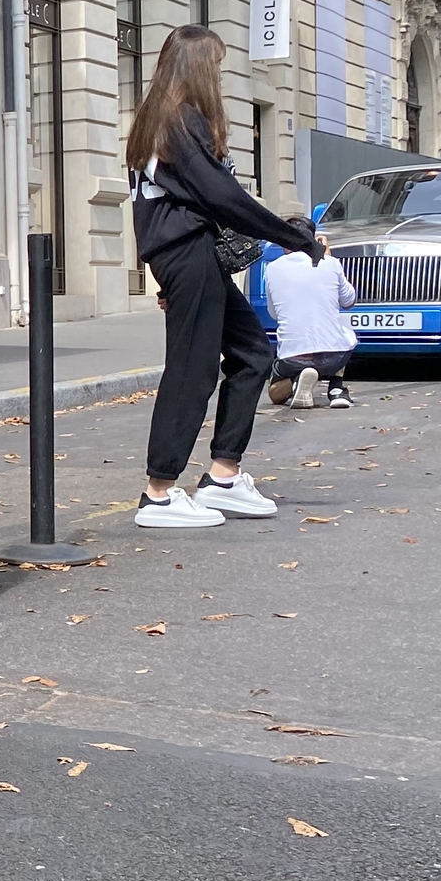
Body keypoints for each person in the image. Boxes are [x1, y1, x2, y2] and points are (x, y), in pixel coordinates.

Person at [126, 26, 323, 528]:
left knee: (254, 354)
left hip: (192, 256)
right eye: (214, 65)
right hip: (188, 255)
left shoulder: (163, 119)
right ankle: (159, 492)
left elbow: (201, 200)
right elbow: (223, 198)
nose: (218, 75)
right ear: (196, 69)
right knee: (191, 371)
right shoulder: (175, 121)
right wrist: (294, 237)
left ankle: (223, 476)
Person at [262, 227, 357, 409]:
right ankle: (336, 389)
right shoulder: (330, 263)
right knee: (343, 334)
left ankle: (298, 379)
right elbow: (349, 301)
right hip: (333, 357)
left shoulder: (272, 268)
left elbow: (274, 314)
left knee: (275, 393)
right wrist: (327, 258)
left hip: (293, 357)